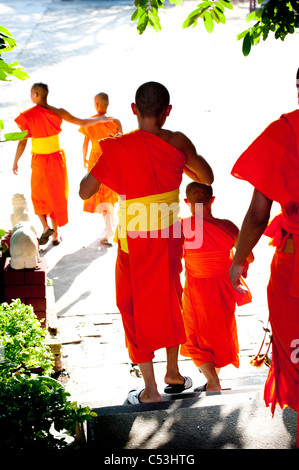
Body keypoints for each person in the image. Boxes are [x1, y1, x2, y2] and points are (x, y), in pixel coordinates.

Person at [79, 81, 214, 404]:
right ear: (167, 111)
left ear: (133, 110)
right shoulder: (178, 142)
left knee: (133, 308)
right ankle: (173, 372)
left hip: (133, 242)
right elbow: (206, 177)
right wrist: (180, 158)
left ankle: (150, 390)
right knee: (169, 299)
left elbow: (85, 191)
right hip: (167, 236)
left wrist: (107, 154)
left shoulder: (118, 147)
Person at [229, 68, 299, 447]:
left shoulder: (283, 133)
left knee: (295, 350)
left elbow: (258, 215)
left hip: (293, 265)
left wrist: (238, 261)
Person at [13, 83, 112, 246]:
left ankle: (45, 227)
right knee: (56, 195)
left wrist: (16, 161)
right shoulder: (58, 112)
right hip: (56, 159)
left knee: (38, 195)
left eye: (31, 93)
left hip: (39, 159)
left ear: (36, 95)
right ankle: (55, 235)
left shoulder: (28, 116)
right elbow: (82, 122)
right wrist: (101, 118)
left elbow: (23, 141)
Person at [180, 182, 253, 391]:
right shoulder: (228, 227)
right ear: (212, 200)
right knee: (220, 335)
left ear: (187, 203)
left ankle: (213, 381)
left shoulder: (182, 226)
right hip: (223, 286)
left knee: (192, 336)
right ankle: (212, 381)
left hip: (196, 288)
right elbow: (249, 256)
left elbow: (172, 259)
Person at [79, 92, 123, 245]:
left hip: (95, 160)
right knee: (109, 192)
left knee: (100, 194)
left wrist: (84, 158)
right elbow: (121, 140)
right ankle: (110, 222)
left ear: (96, 105)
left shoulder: (90, 122)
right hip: (111, 159)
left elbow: (86, 143)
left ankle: (109, 228)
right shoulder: (116, 121)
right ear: (108, 104)